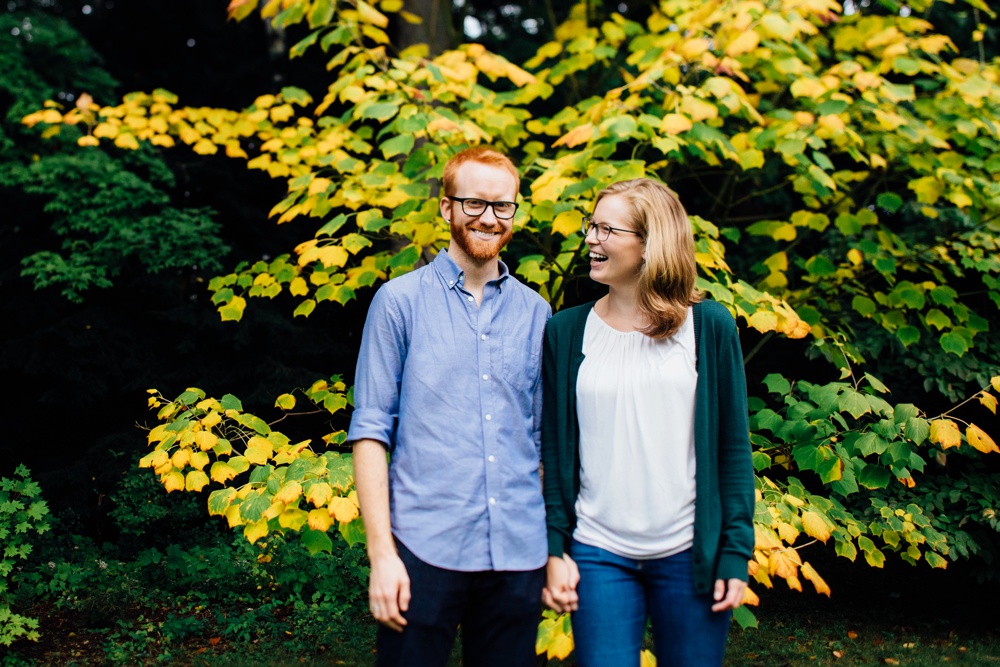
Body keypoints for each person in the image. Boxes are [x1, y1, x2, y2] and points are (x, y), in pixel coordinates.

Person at [347, 146, 551, 667]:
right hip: (422, 547)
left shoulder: (537, 312)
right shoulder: (398, 302)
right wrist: (382, 555)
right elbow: (370, 431)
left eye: (502, 206)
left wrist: (553, 546)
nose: (489, 218)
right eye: (474, 203)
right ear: (446, 208)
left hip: (518, 552)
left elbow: (542, 439)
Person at [540, 178, 755, 667]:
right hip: (597, 553)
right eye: (591, 226)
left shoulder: (710, 327)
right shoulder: (565, 331)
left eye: (607, 229)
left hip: (689, 551)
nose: (591, 238)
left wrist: (735, 550)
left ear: (650, 243)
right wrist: (555, 548)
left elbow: (732, 448)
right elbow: (554, 452)